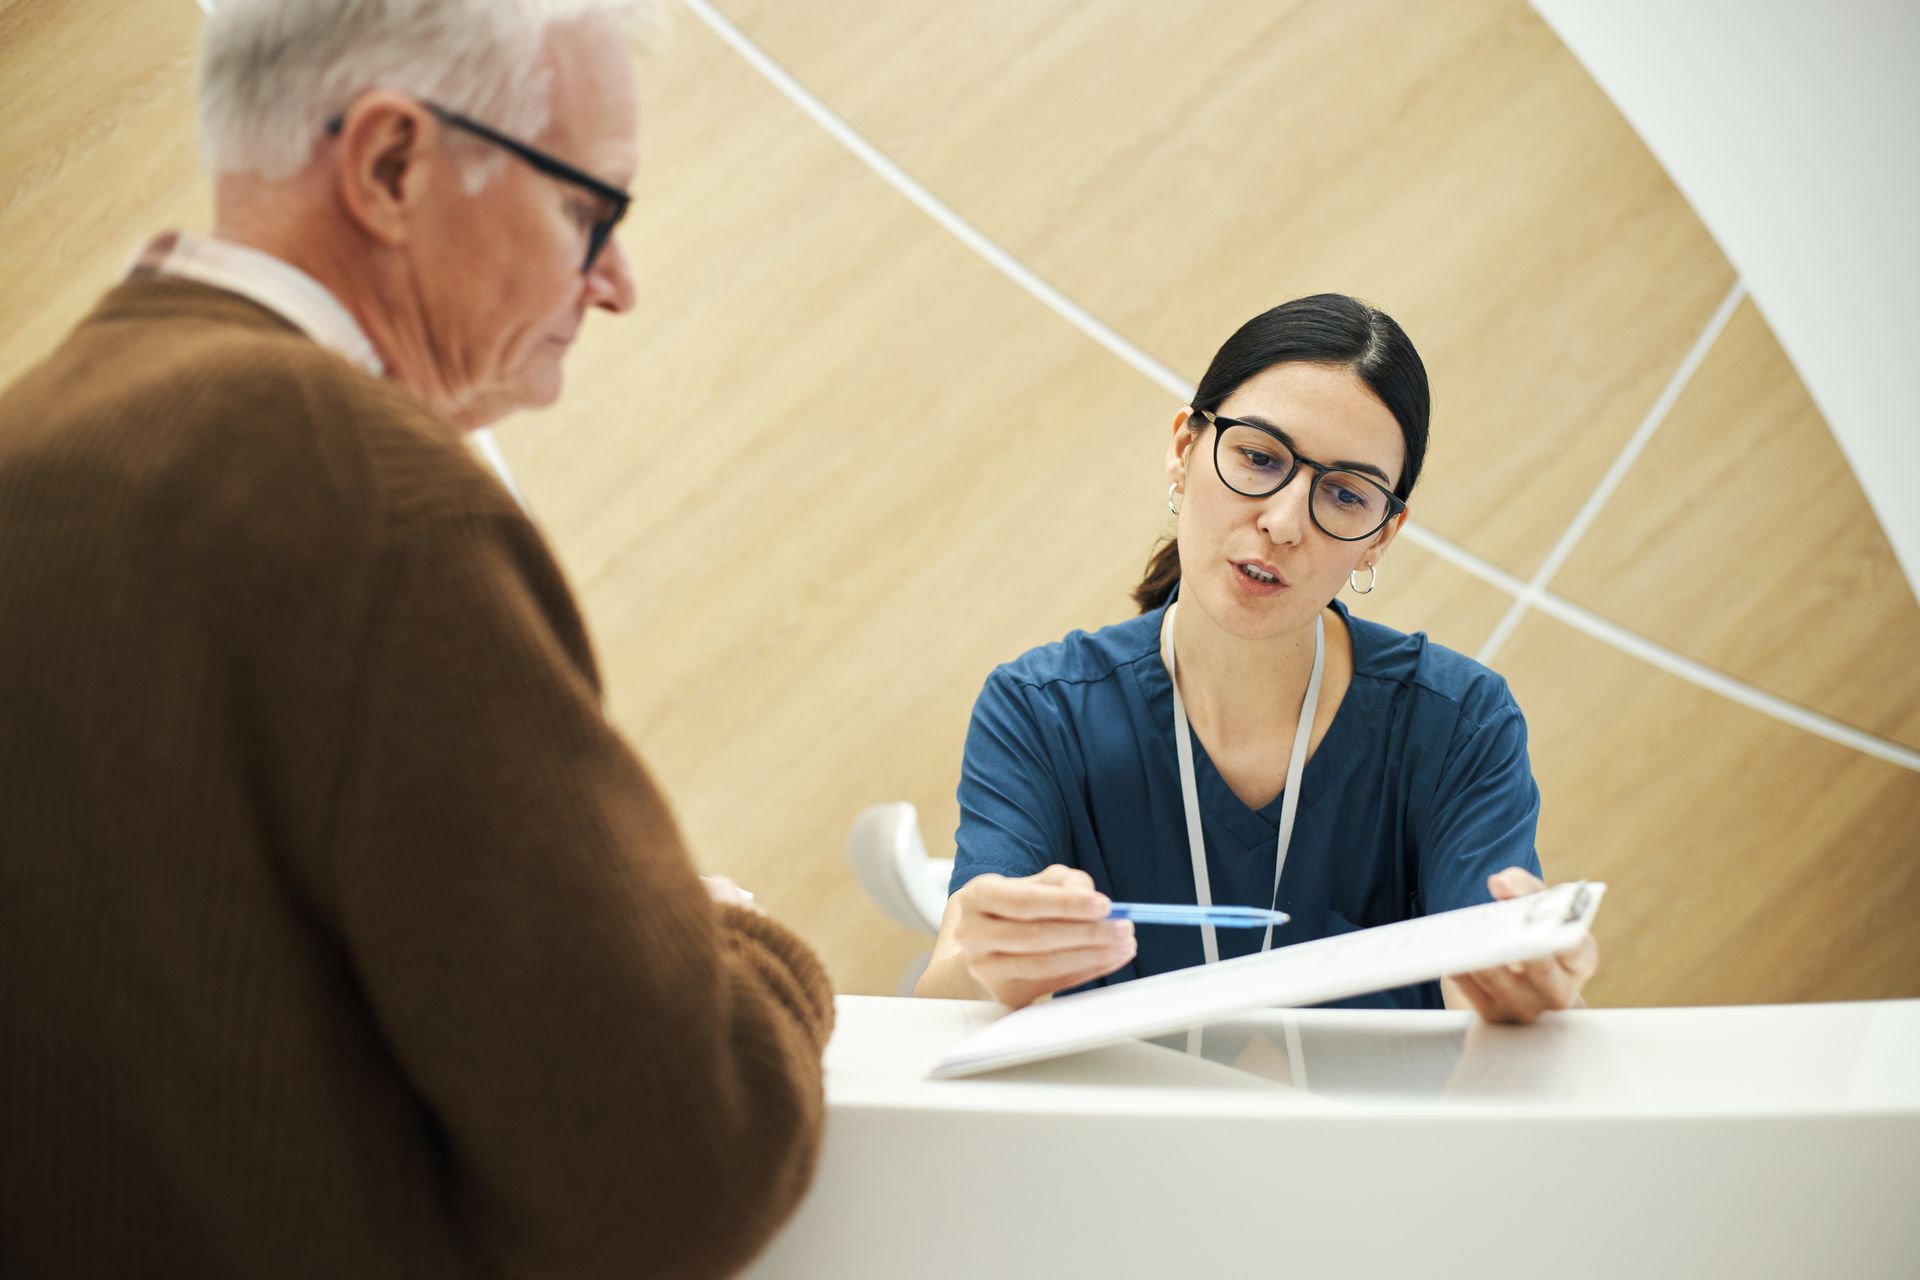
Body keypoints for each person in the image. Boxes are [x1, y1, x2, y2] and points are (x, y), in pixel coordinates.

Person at [0, 3, 832, 1277]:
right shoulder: (374, 495)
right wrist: (736, 951)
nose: (615, 281)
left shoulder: (34, 440)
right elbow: (674, 1164)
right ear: (392, 164)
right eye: (587, 212)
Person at [916, 294, 1599, 1020]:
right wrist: (997, 967)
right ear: (1184, 450)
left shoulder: (1456, 723)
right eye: (1258, 457)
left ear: (1382, 534)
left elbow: (1489, 984)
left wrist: (1534, 986)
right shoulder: (1043, 710)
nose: (1281, 523)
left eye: (1343, 494)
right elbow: (940, 1001)